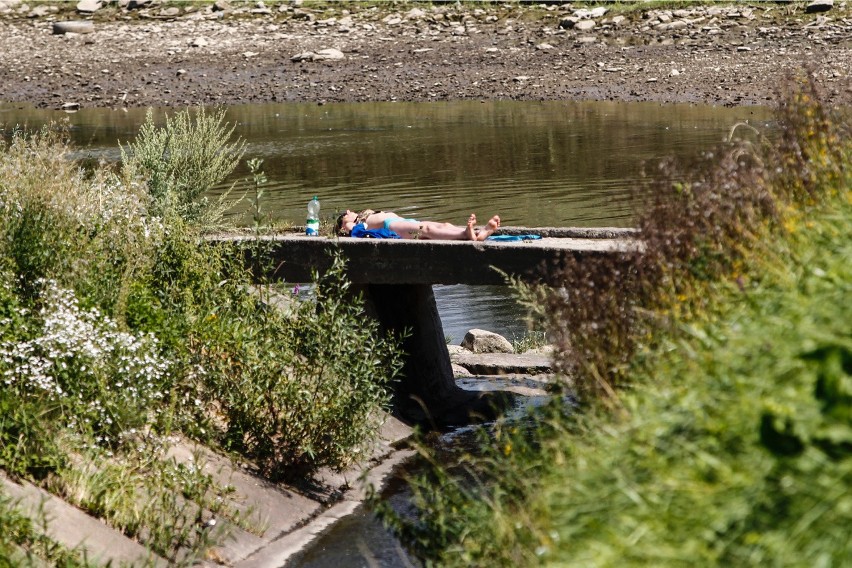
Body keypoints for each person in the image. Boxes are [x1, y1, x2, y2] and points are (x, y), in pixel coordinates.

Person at [335, 209, 501, 241]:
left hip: (402, 222)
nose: (348, 211)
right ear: (343, 224)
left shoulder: (360, 217)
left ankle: (478, 233)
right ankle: (466, 234)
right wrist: (347, 223)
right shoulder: (351, 225)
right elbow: (353, 232)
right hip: (391, 226)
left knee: (444, 225)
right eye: (345, 214)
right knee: (428, 230)